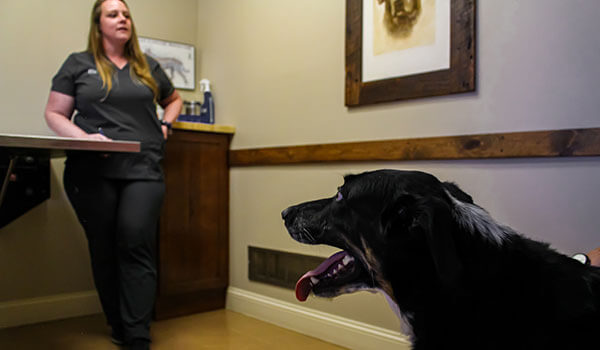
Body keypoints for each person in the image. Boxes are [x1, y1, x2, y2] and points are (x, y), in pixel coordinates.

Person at [44, 1, 182, 349]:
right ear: (98, 23)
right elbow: (55, 113)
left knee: (135, 242)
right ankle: (118, 324)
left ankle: (137, 334)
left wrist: (166, 123)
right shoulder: (78, 64)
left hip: (143, 167)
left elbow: (174, 99)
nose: (122, 19)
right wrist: (85, 138)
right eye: (113, 14)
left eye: (126, 14)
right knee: (104, 248)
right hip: (92, 170)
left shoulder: (147, 66)